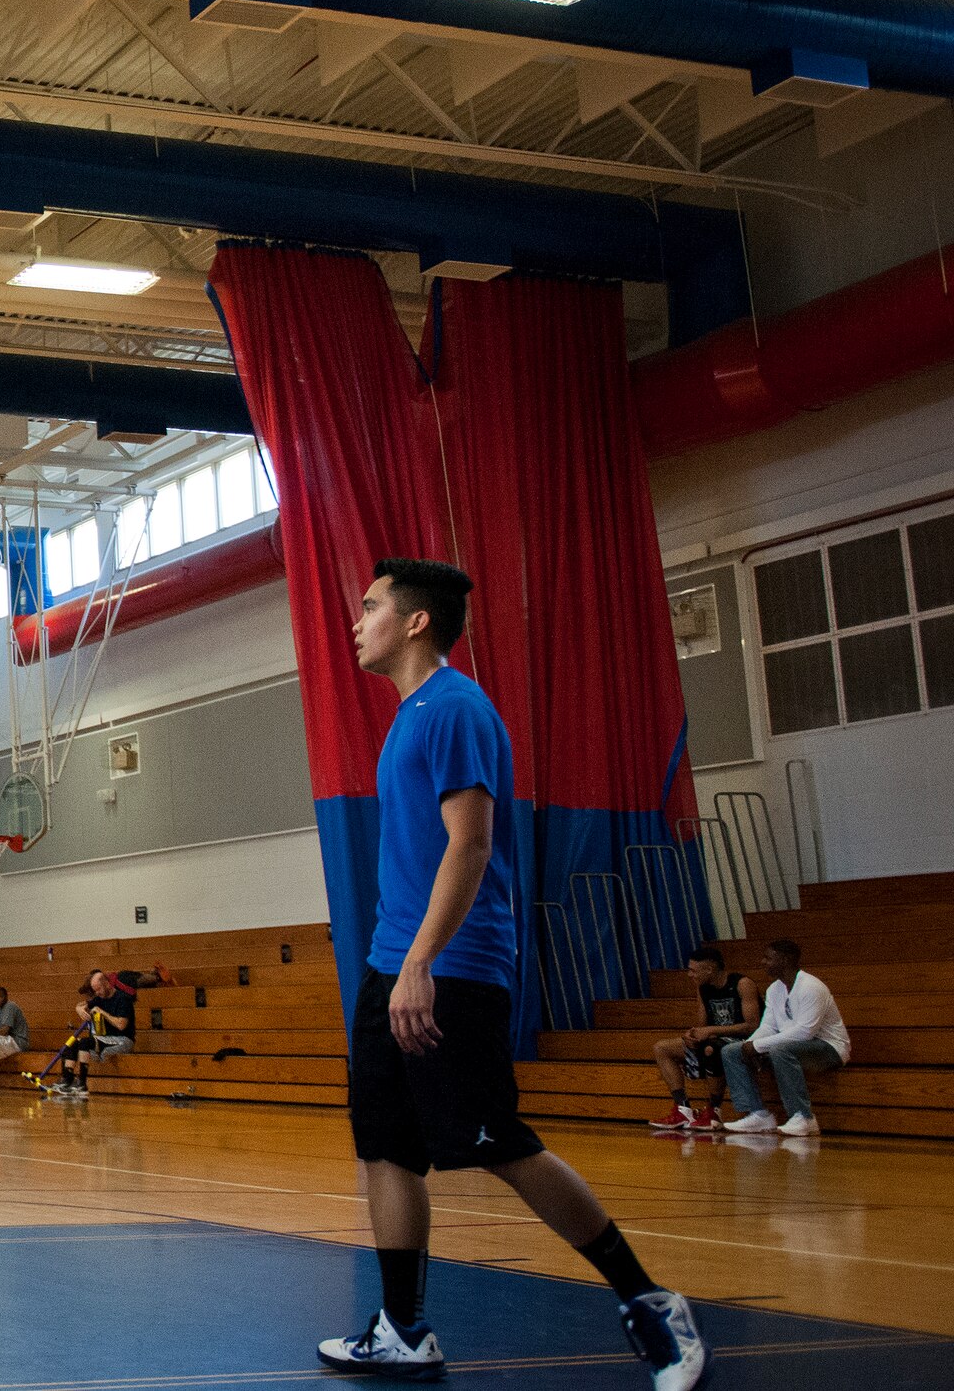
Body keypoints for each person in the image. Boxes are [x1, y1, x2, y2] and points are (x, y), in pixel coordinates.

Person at [318, 558, 707, 1390]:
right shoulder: (411, 716)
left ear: (417, 622)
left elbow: (472, 843)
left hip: (449, 968)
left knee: (496, 1142)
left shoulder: (453, 708)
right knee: (386, 1148)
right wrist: (396, 967)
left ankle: (650, 1301)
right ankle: (404, 1329)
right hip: (394, 965)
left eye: (371, 606)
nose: (358, 621)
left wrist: (421, 963)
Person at [721, 939, 851, 1138]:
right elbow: (769, 1026)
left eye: (768, 958)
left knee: (780, 1050)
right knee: (731, 1051)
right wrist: (750, 1044)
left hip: (829, 1048)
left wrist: (758, 1046)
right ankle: (758, 1113)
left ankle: (804, 1117)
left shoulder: (811, 986)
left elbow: (805, 1032)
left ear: (786, 959)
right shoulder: (774, 989)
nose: (763, 962)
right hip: (792, 1047)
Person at [649, 946, 760, 1133]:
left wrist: (710, 1031)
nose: (689, 974)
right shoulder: (703, 989)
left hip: (745, 1040)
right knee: (662, 1048)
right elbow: (702, 1025)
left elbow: (752, 1025)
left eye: (693, 970)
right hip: (715, 1038)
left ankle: (714, 1110)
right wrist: (692, 1035)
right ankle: (683, 1109)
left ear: (708, 969)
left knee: (711, 1048)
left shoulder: (742, 984)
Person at [56, 969, 135, 1097]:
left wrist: (102, 1012)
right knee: (72, 1044)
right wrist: (79, 1009)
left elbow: (121, 1025)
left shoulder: (123, 999)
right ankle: (67, 1080)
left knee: (85, 1043)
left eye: (99, 989)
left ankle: (82, 1083)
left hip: (122, 1040)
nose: (97, 993)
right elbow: (83, 1004)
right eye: (95, 990)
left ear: (107, 984)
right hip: (104, 1039)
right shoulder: (99, 998)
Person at [0, 986, 30, 1085]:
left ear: (6, 997)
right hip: (8, 1040)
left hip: (18, 1041)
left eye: (0, 997)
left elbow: (4, 1031)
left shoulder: (10, 1006)